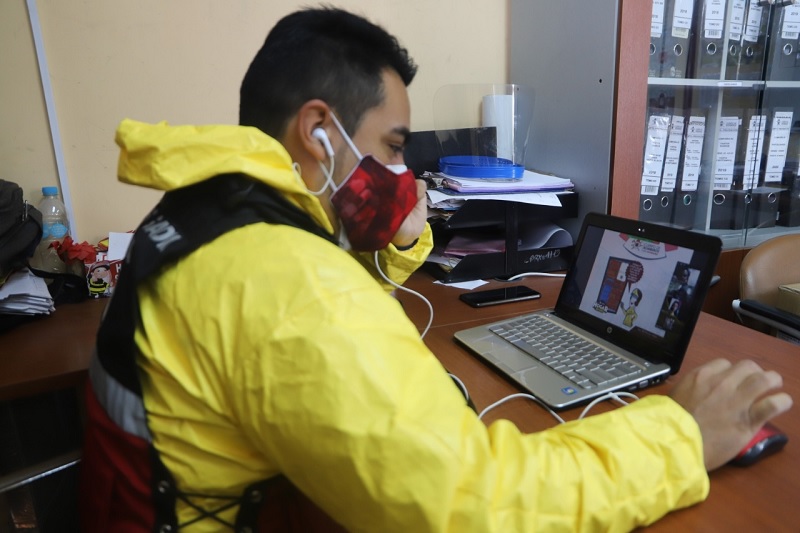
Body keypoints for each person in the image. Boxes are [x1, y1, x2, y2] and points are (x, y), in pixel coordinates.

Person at [79, 7, 793, 532]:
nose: (403, 170)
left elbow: (309, 316)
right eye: (394, 146)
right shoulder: (289, 283)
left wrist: (396, 238)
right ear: (319, 131)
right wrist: (680, 436)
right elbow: (468, 506)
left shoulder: (211, 206)